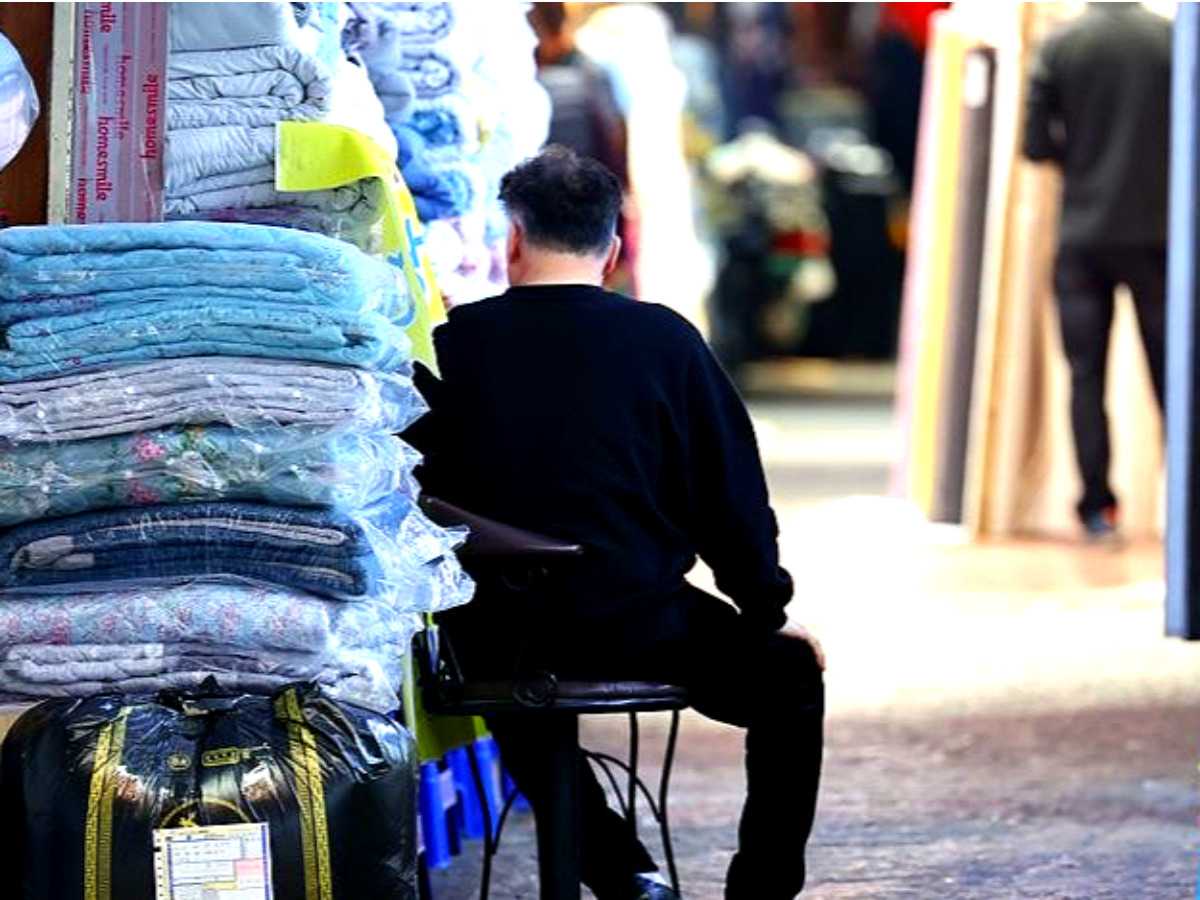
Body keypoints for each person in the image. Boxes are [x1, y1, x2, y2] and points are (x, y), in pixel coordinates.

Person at [405, 146, 825, 900]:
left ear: (514, 242)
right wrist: (765, 610)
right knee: (792, 684)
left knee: (513, 686)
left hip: (502, 633)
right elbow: (730, 498)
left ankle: (620, 871)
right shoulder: (665, 341)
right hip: (642, 625)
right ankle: (759, 890)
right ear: (615, 250)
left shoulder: (452, 344)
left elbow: (419, 493)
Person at [1022, 2, 1172, 544]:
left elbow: (1035, 143)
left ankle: (1097, 508)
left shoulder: (1062, 44)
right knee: (1173, 379)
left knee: (1086, 377)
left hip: (1083, 234)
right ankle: (1181, 507)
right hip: (1158, 234)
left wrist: (1081, 159)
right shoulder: (1170, 40)